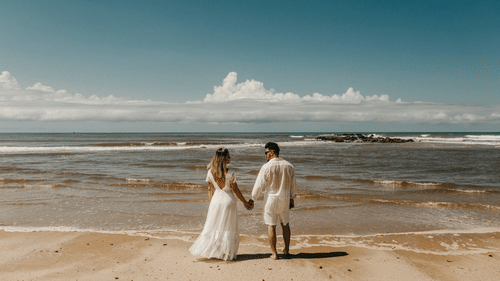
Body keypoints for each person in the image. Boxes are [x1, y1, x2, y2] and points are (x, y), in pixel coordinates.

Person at [189, 148, 253, 261]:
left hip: (216, 200)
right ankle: (227, 252)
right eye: (228, 156)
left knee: (214, 227)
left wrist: (212, 205)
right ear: (223, 158)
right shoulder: (230, 173)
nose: (230, 158)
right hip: (228, 200)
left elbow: (210, 189)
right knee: (228, 227)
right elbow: (236, 190)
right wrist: (245, 202)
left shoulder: (210, 172)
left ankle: (216, 251)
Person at [251, 142, 296, 260]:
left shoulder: (266, 167)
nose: (265, 155)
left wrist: (252, 198)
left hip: (271, 199)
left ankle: (274, 254)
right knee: (285, 224)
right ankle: (286, 249)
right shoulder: (289, 166)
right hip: (285, 198)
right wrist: (292, 198)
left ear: (272, 152)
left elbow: (258, 185)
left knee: (271, 226)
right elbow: (293, 185)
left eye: (266, 153)